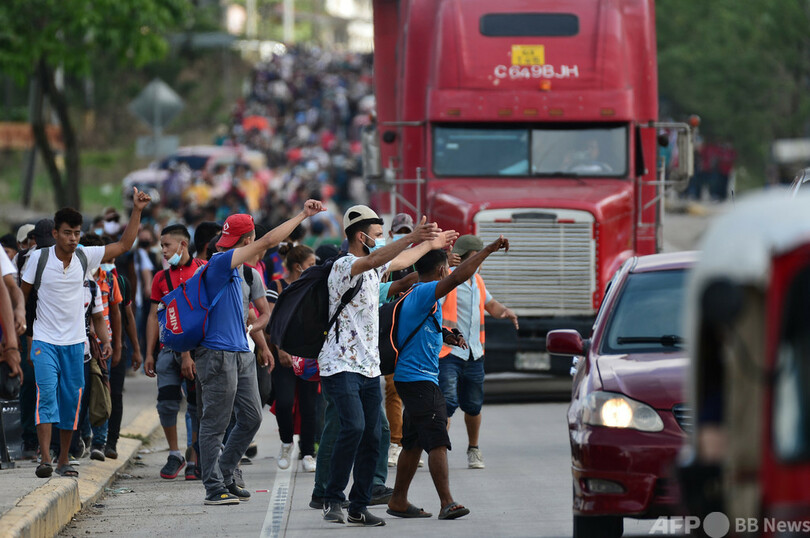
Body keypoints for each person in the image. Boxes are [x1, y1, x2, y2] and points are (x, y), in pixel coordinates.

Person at [317, 205, 449, 526]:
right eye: (377, 236)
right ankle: (332, 498)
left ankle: (359, 505)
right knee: (354, 427)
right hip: (340, 364)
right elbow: (376, 259)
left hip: (368, 366)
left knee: (374, 434)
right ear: (361, 237)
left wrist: (431, 245)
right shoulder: (343, 266)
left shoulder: (374, 268)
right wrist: (412, 237)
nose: (381, 241)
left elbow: (399, 261)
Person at [195, 200, 323, 506]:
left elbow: (263, 312)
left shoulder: (245, 272)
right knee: (215, 422)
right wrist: (302, 214)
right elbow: (270, 240)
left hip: (242, 353)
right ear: (248, 241)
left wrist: (255, 332)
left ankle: (226, 472)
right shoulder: (220, 262)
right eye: (253, 240)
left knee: (251, 417)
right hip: (217, 354)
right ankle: (213, 486)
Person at [20, 189, 151, 478]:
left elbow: (125, 244)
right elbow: (23, 297)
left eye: (77, 232)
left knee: (71, 402)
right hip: (44, 340)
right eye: (67, 232)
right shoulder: (38, 260)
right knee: (46, 397)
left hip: (76, 344)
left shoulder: (85, 257)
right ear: (55, 233)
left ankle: (64, 459)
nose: (73, 238)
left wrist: (137, 211)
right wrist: (23, 331)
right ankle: (45, 458)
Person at [387, 235, 510, 520]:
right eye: (448, 269)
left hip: (414, 376)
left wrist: (446, 335)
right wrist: (489, 249)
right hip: (418, 378)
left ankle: (398, 500)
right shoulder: (426, 291)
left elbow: (421, 325)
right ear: (443, 270)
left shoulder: (419, 294)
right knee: (438, 440)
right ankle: (447, 501)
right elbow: (459, 277)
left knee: (414, 442)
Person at [438, 234, 518, 470]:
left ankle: (474, 449)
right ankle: (438, 449)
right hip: (449, 353)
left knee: (473, 405)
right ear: (461, 259)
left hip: (474, 354)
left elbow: (490, 305)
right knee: (447, 403)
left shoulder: (478, 282)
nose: (480, 261)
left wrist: (505, 311)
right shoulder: (449, 281)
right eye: (476, 256)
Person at [144, 224, 205, 480]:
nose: (163, 251)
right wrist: (149, 352)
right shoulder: (161, 278)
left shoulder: (202, 270)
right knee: (167, 403)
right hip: (168, 349)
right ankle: (174, 453)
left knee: (195, 405)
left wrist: (188, 355)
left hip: (198, 351)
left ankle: (195, 457)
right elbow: (153, 315)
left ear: (183, 245)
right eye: (161, 246)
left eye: (167, 245)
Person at [268, 245, 319, 471]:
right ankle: (287, 443)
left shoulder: (313, 287)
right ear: (298, 267)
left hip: (308, 355)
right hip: (284, 355)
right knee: (285, 402)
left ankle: (308, 452)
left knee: (310, 406)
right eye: (311, 265)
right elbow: (271, 323)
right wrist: (279, 350)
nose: (314, 268)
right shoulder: (277, 286)